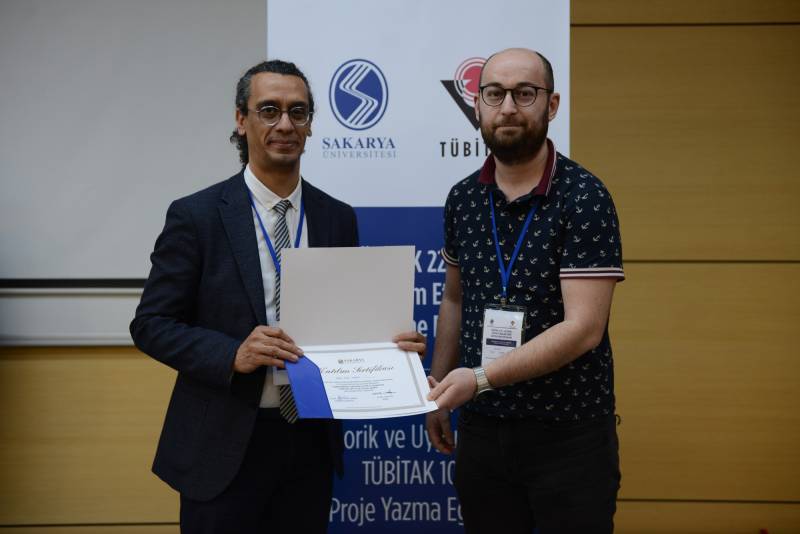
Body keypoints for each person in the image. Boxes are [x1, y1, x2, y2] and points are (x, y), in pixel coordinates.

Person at [130, 59, 425, 534]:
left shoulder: (337, 217)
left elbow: (345, 323)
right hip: (222, 444)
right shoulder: (196, 216)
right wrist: (232, 353)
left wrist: (389, 348)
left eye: (298, 112)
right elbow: (151, 325)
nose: (285, 124)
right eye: (269, 110)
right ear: (241, 120)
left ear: (310, 125)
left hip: (308, 442)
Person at [426, 48, 624, 534]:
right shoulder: (463, 198)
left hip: (569, 435)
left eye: (525, 94)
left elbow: (584, 329)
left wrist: (478, 378)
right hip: (483, 431)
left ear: (551, 105)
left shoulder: (584, 197)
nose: (508, 108)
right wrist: (439, 390)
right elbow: (454, 298)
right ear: (477, 105)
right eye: (494, 94)